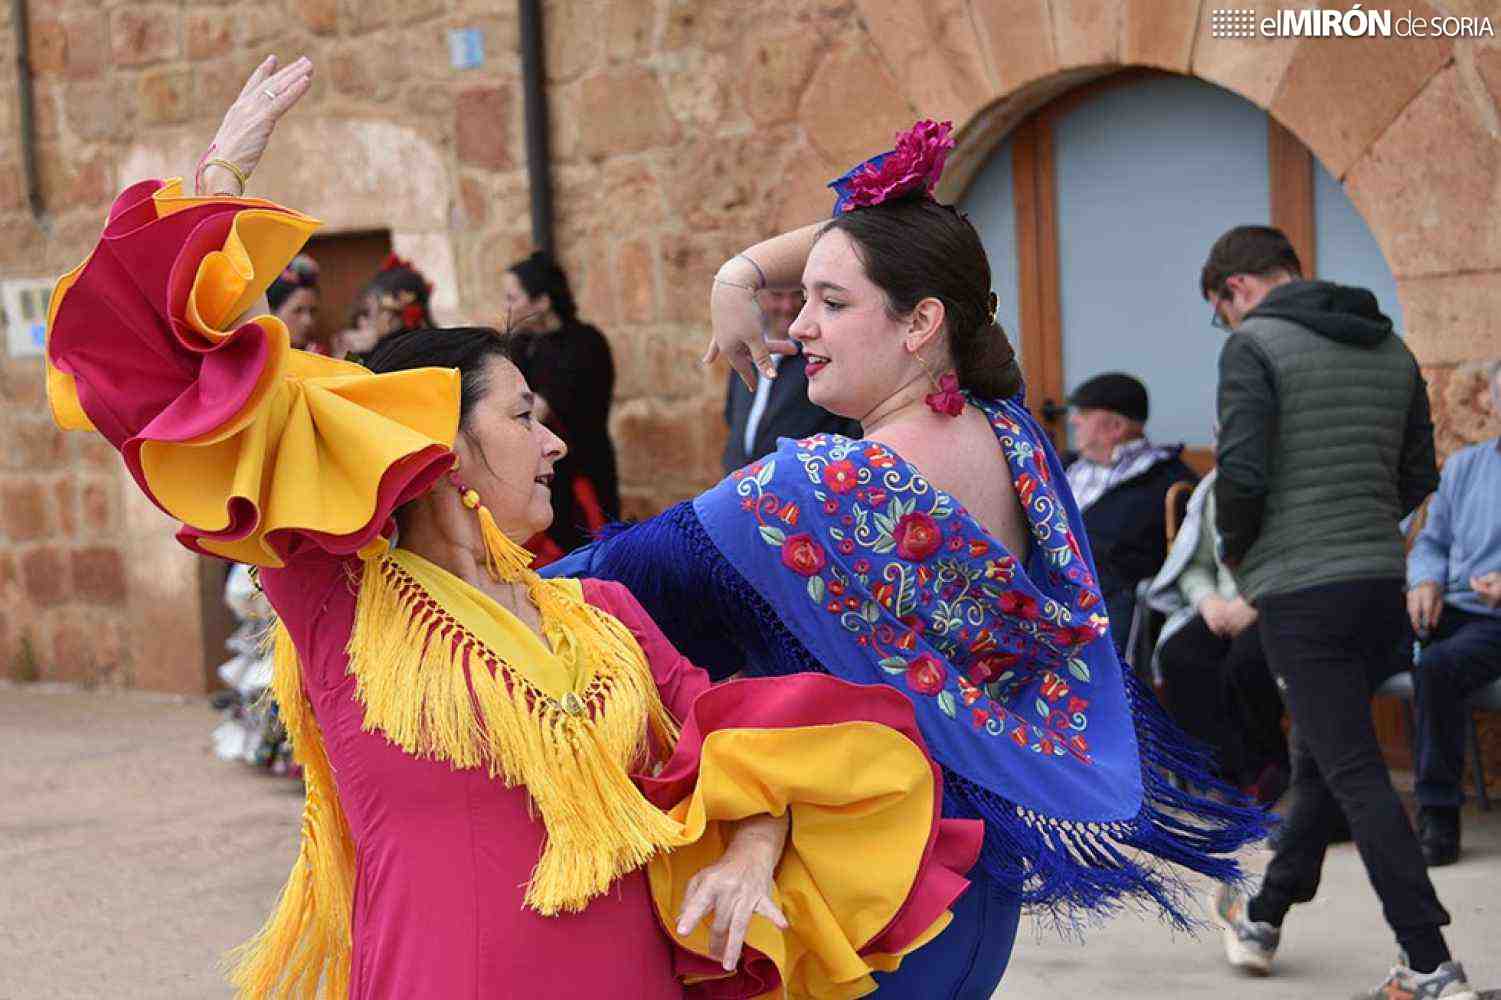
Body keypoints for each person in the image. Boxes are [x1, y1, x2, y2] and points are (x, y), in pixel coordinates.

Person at [42, 58, 990, 1000]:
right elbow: (176, 388)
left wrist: (747, 851)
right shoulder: (340, 599)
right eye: (523, 416)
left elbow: (755, 751)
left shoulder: (603, 614)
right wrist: (218, 188)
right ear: (434, 443)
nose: (554, 440)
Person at [547, 119, 1269, 999]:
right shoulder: (1008, 433)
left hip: (869, 888)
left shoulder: (819, 489)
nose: (799, 326)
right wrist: (740, 274)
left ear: (921, 322)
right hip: (970, 877)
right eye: (799, 298)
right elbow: (894, 243)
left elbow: (599, 589)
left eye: (831, 305)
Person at [1200, 225, 1476, 998]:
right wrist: (1357, 525)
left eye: (1220, 310)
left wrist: (1241, 552)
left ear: (1236, 289)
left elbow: (1243, 474)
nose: (1226, 324)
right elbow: (1419, 471)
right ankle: (1263, 914)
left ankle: (1428, 964)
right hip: (1376, 584)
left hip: (1301, 589)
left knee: (1352, 770)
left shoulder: (1251, 344)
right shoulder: (1388, 347)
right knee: (1323, 755)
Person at [1145, 465, 1288, 803]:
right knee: (1180, 654)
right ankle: (1223, 775)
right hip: (1222, 606)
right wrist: (1207, 601)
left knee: (1246, 661)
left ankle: (1270, 768)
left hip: (1276, 601)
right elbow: (1195, 564)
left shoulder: (1287, 484)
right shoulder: (1214, 488)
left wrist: (1253, 601)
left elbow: (1298, 559)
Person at [1406, 358, 1501, 867]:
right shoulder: (1465, 466)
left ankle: (1438, 817)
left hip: (1495, 621)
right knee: (1347, 644)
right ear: (1490, 401)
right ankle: (1328, 806)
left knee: (1437, 668)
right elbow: (1431, 541)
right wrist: (1424, 579)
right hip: (1451, 605)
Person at [1064, 372, 1197, 652]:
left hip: (1109, 602)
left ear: (1116, 426)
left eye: (1085, 413)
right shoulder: (1066, 467)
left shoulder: (1166, 481)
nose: (1074, 420)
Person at [503, 251, 621, 562]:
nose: (507, 307)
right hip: (542, 478)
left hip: (580, 474)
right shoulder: (521, 345)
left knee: (587, 562)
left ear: (541, 301)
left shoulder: (583, 343)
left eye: (512, 297)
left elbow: (535, 411)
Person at [722, 286, 860, 473]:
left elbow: (849, 429)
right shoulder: (746, 350)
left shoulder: (819, 358)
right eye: (777, 295)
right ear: (758, 297)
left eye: (797, 296)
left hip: (799, 490)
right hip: (739, 484)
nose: (787, 307)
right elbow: (732, 414)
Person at [265, 253, 321, 351]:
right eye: (297, 311)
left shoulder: (319, 356)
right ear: (272, 312)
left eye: (313, 311)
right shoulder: (258, 361)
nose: (308, 321)